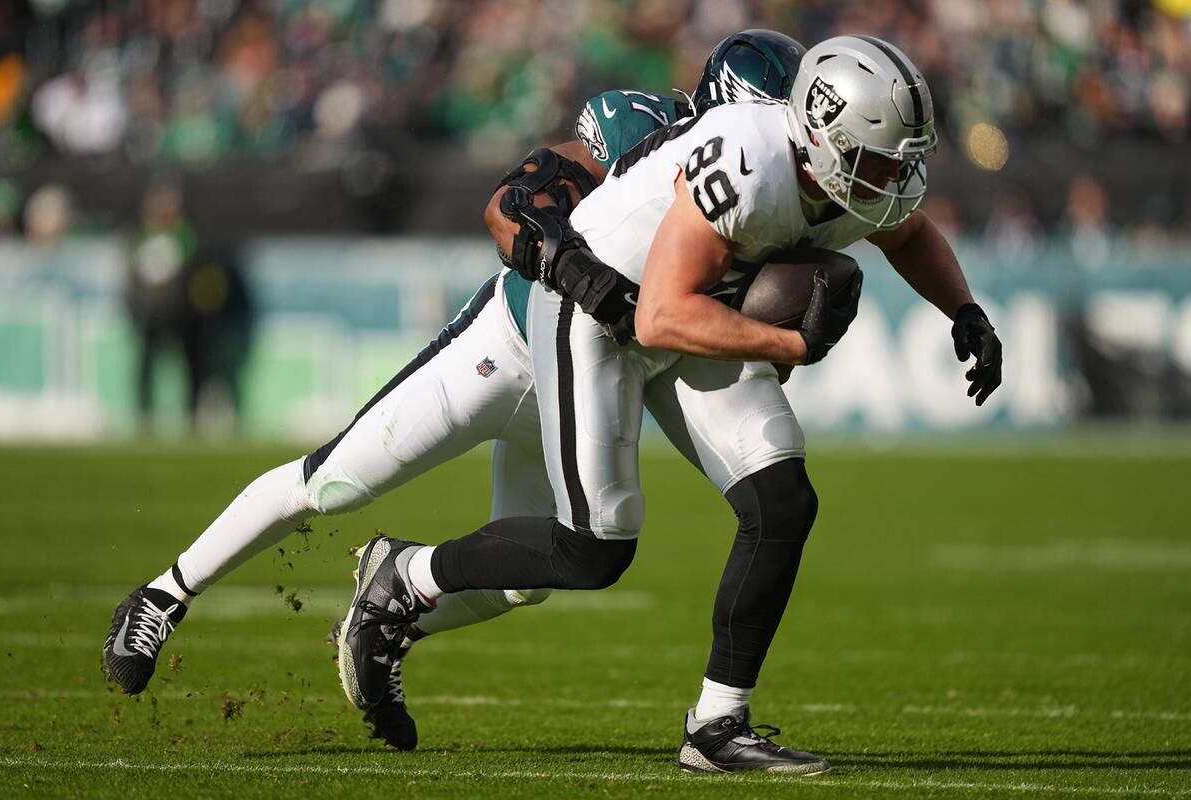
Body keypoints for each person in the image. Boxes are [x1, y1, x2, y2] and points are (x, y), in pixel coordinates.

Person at [101, 29, 810, 749]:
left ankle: (384, 622)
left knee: (528, 578)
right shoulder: (647, 130)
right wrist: (568, 261)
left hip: (601, 381)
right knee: (332, 483)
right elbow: (512, 203)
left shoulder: (785, 182)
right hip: (504, 353)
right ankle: (163, 596)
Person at [336, 34, 1002, 775]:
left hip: (684, 313)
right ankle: (409, 574)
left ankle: (718, 726)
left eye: (903, 160)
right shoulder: (748, 162)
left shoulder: (844, 174)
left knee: (781, 500)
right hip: (597, 311)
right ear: (823, 135)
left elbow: (909, 232)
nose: (896, 177)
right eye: (881, 160)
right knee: (595, 548)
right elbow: (658, 316)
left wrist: (964, 309)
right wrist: (788, 344)